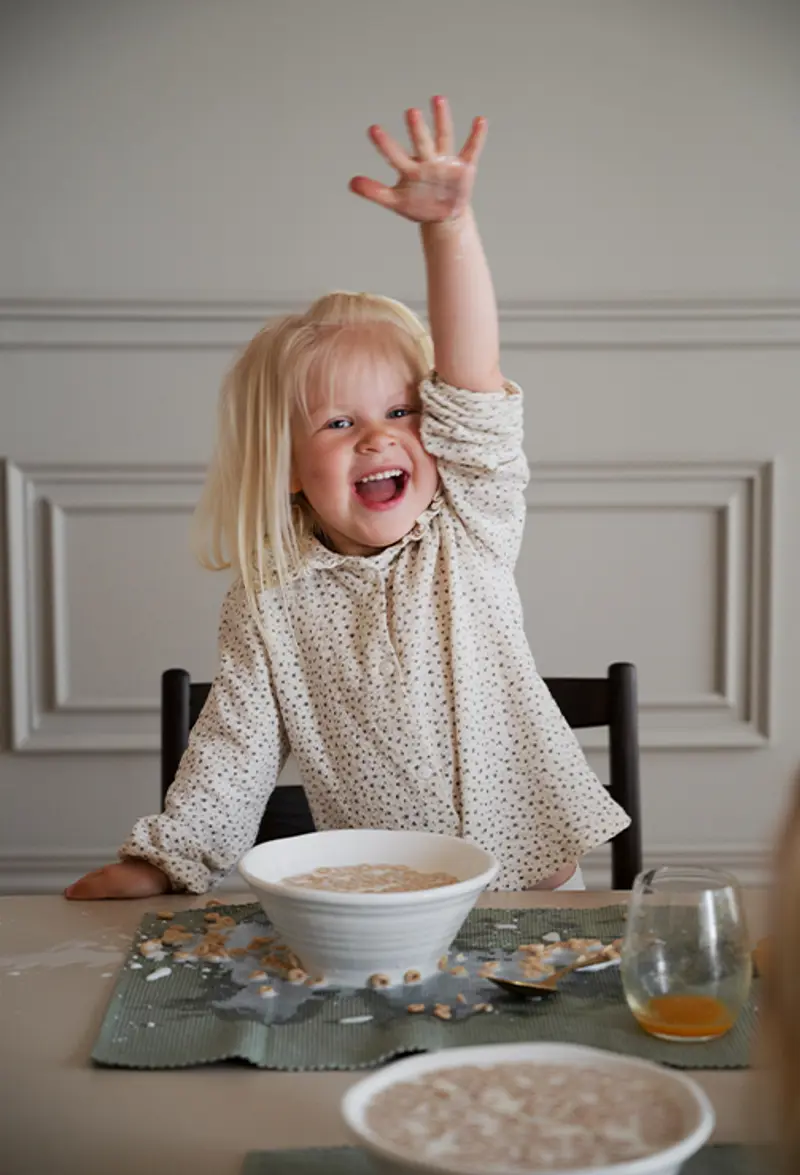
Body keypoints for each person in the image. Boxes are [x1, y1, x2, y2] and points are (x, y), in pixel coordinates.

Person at [65, 96, 629, 902]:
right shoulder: (268, 600)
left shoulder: (467, 524)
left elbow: (474, 387)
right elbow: (234, 751)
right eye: (338, 422)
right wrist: (162, 862)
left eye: (401, 411)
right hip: (383, 898)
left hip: (534, 892)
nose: (378, 436)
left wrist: (448, 231)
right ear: (287, 466)